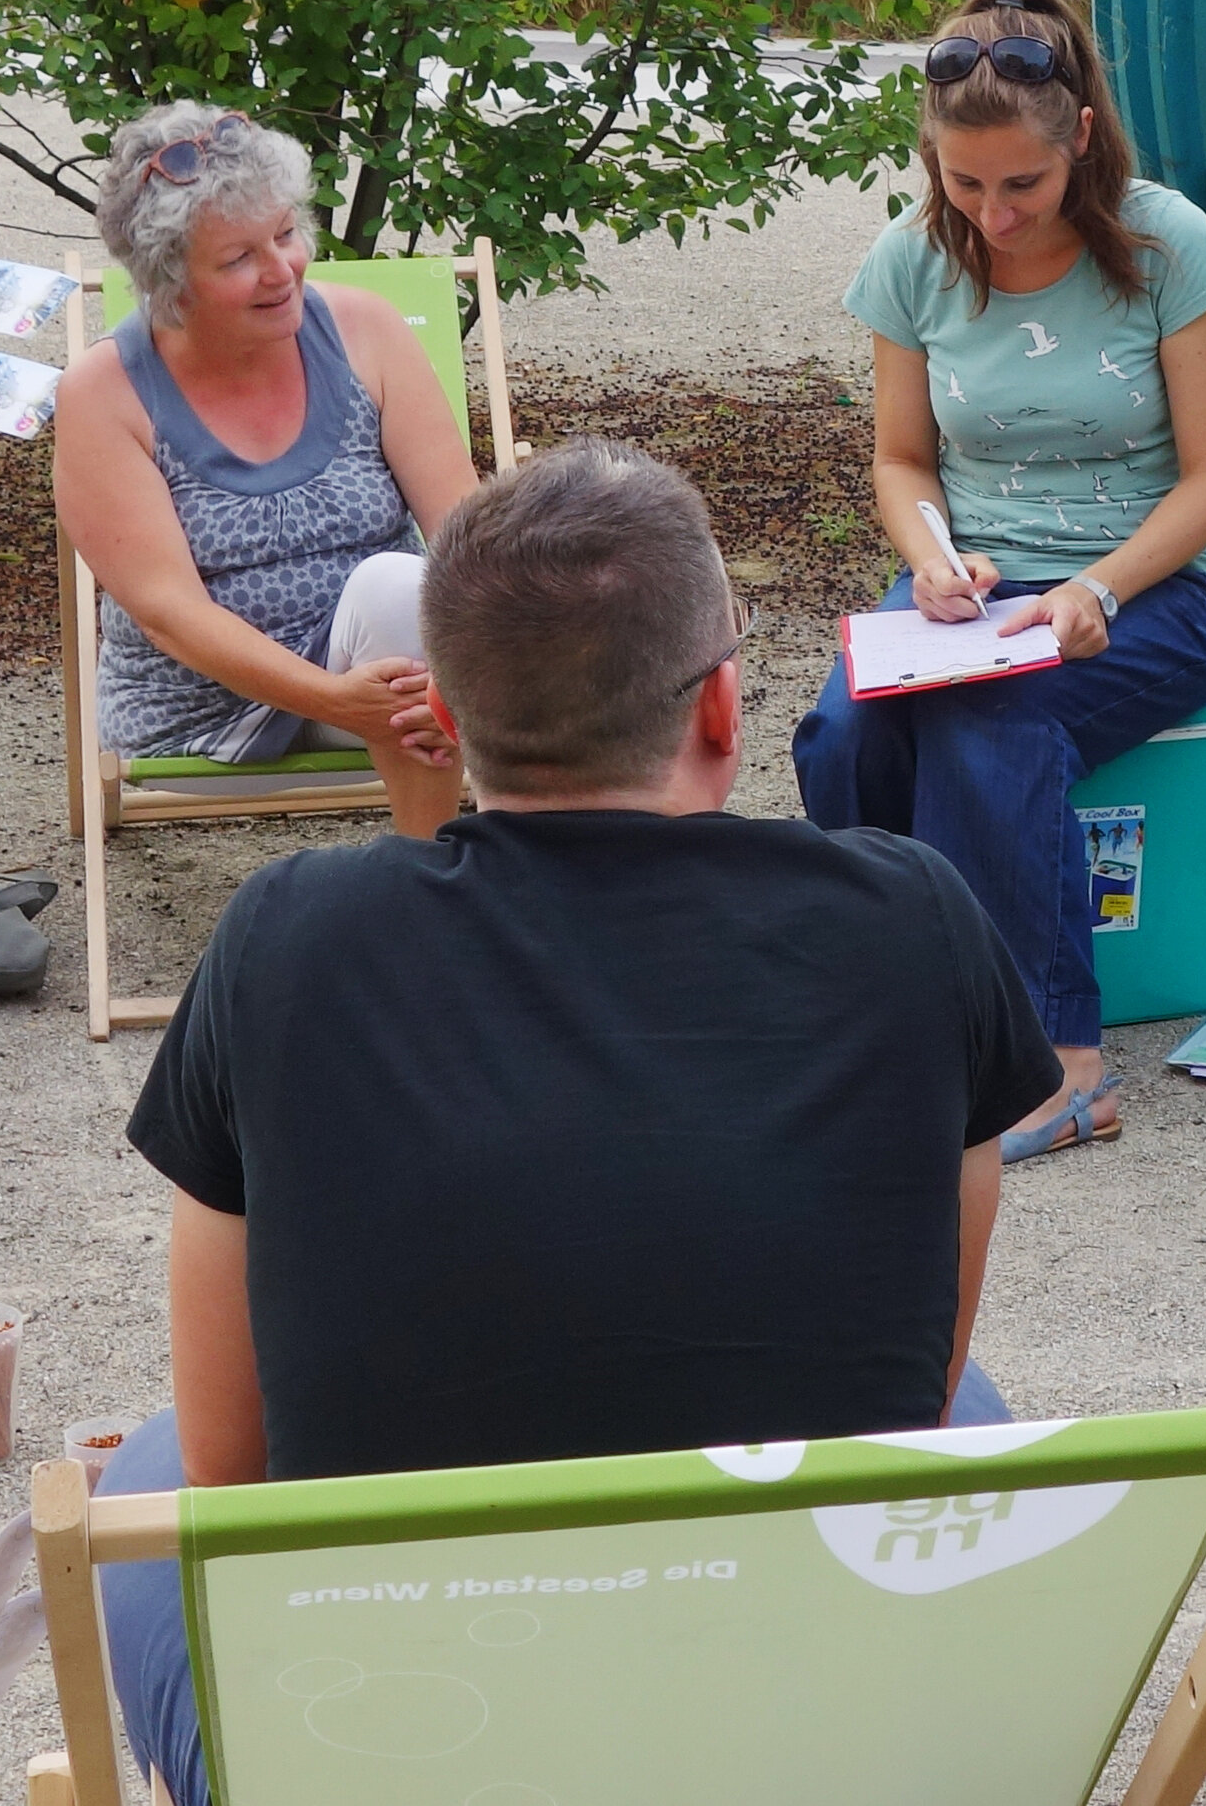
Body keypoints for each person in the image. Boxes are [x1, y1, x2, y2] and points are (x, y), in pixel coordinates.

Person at [95, 442, 1058, 1804]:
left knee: (146, 1467)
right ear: (719, 701)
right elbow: (911, 1375)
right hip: (806, 1731)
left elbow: (239, 1470)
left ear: (442, 713)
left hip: (403, 1746)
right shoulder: (913, 919)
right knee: (969, 1402)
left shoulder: (288, 939)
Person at [794, 0, 1206, 1162]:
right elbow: (901, 460)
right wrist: (932, 557)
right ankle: (899, 1009)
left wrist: (1095, 587)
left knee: (988, 722)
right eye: (962, 181)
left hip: (1147, 592)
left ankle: (1058, 1063)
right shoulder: (910, 257)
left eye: (1022, 184)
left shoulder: (1167, 244)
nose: (991, 214)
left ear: (1081, 139)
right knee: (844, 732)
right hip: (973, 595)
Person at [52, 103, 472, 837]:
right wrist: (336, 698)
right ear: (170, 283)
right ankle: (431, 881)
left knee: (440, 590)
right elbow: (171, 616)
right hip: (202, 711)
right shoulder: (105, 394)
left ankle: (455, 868)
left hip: (385, 668)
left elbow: (470, 532)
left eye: (286, 234)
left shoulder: (366, 330)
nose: (282, 272)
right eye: (239, 259)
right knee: (402, 592)